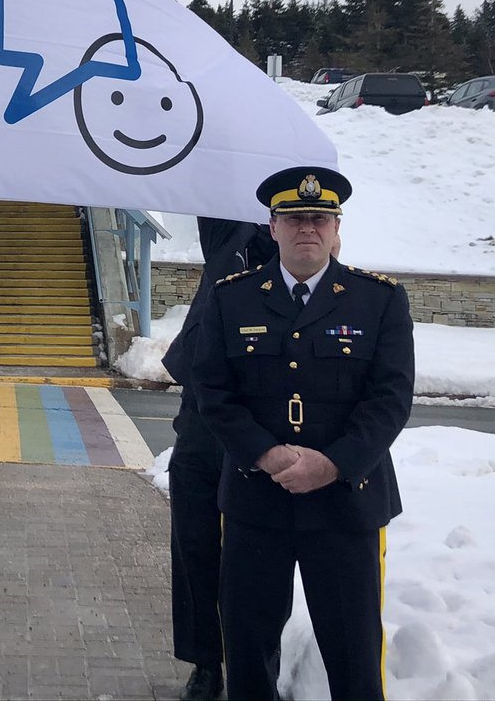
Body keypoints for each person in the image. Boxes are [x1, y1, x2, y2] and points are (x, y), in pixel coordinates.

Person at [193, 167, 414, 700]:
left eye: (319, 217)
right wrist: (265, 454)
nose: (307, 228)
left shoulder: (378, 300)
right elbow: (212, 392)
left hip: (346, 503)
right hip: (257, 501)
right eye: (294, 218)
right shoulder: (232, 298)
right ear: (273, 227)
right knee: (248, 650)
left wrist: (333, 463)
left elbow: (390, 398)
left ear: (337, 227)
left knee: (355, 653)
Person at [162, 217, 277, 701]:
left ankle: (256, 668)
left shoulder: (298, 253)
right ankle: (205, 662)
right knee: (194, 545)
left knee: (255, 559)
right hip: (202, 418)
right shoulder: (231, 236)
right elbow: (207, 189)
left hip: (260, 423)